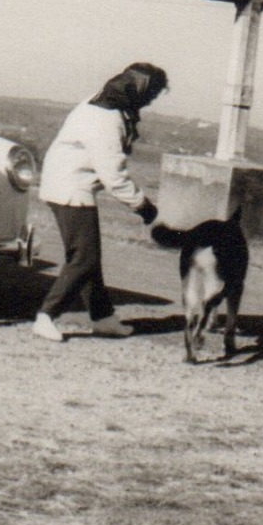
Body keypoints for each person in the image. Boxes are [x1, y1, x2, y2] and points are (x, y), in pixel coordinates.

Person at [32, 62, 167, 341]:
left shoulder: (101, 103)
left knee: (86, 259)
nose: (151, 101)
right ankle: (47, 315)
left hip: (66, 183)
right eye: (151, 95)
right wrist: (145, 208)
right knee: (84, 259)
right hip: (70, 188)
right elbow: (113, 177)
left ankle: (103, 317)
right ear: (139, 90)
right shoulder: (106, 119)